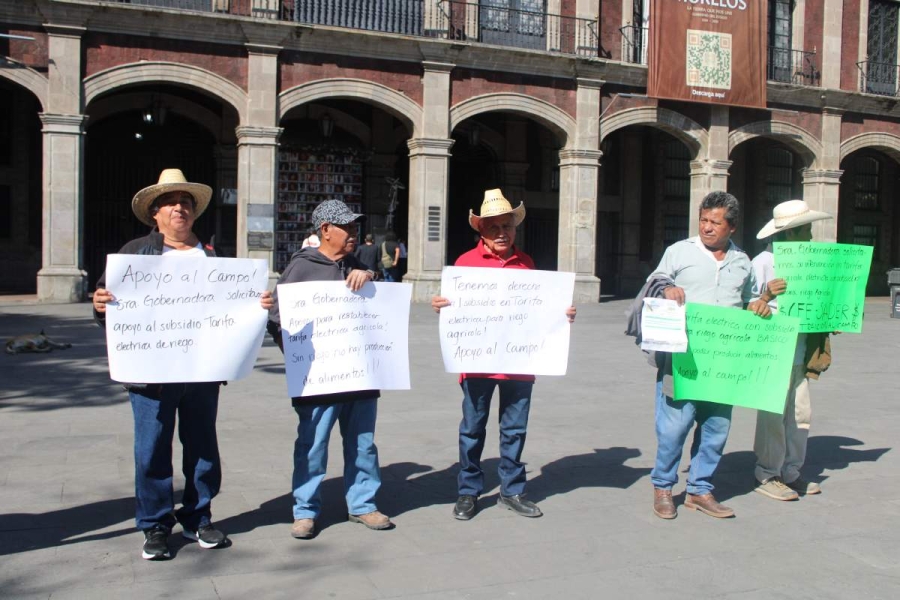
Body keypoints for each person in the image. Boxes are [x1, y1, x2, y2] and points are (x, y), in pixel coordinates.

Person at [91, 168, 274, 560]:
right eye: (171, 203)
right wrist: (100, 305)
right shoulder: (134, 253)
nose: (180, 208)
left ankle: (198, 516)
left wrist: (256, 307)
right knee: (152, 450)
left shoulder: (213, 255)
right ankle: (155, 525)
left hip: (202, 372)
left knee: (202, 446)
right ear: (155, 214)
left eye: (186, 202)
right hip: (150, 374)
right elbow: (110, 311)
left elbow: (230, 307)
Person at [431, 189, 576, 521]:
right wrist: (442, 307)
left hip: (520, 365)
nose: (501, 233)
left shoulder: (527, 264)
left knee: (515, 430)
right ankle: (468, 492)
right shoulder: (464, 264)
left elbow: (540, 312)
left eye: (507, 226)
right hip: (477, 363)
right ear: (480, 230)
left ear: (515, 229)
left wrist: (561, 314)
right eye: (493, 227)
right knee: (472, 429)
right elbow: (455, 312)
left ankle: (512, 490)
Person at [267, 199, 391, 540]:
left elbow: (380, 304)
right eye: (347, 227)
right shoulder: (300, 269)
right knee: (312, 444)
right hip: (319, 380)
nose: (354, 233)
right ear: (325, 230)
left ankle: (363, 504)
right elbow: (277, 320)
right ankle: (305, 510)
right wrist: (299, 359)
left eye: (354, 227)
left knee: (363, 444)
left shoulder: (357, 263)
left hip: (361, 377)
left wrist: (370, 274)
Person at [647, 191, 771, 520]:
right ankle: (663, 487)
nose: (707, 227)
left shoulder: (742, 261)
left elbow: (749, 300)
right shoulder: (679, 252)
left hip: (724, 359)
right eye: (703, 220)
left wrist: (757, 306)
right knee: (675, 425)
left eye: (715, 222)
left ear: (731, 226)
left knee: (716, 427)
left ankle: (700, 490)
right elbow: (654, 281)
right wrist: (666, 289)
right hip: (683, 356)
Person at [751, 200, 833, 501]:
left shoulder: (811, 265)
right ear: (789, 234)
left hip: (801, 351)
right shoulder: (762, 262)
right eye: (806, 231)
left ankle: (791, 471)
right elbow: (747, 308)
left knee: (800, 413)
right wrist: (766, 294)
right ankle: (768, 472)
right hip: (773, 351)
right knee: (773, 415)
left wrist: (832, 316)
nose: (811, 237)